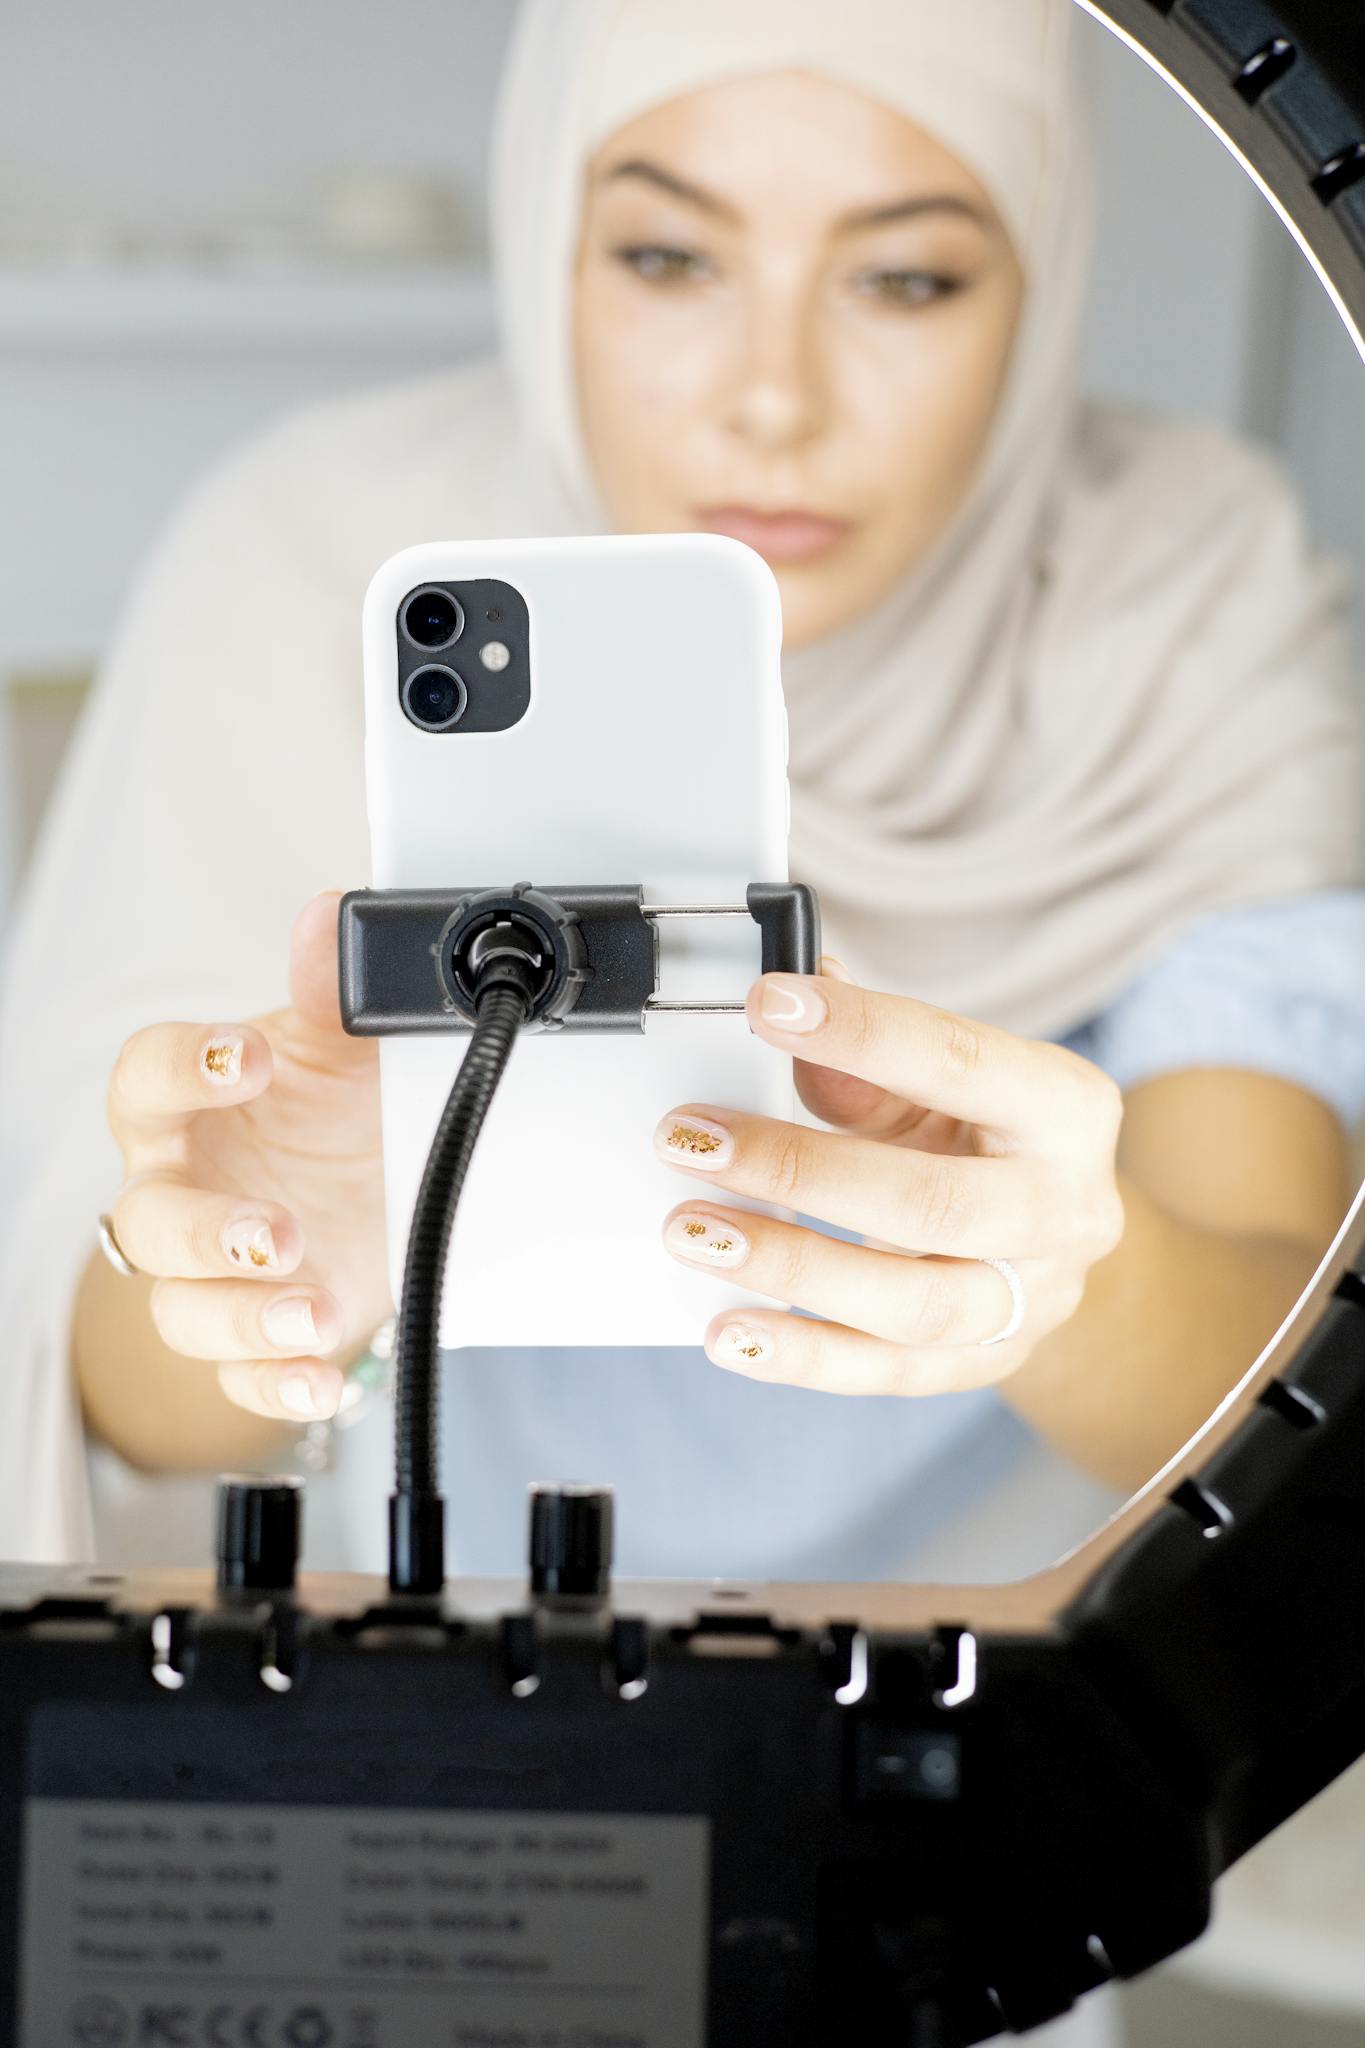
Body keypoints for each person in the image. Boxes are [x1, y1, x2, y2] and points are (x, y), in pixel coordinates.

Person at [1, 0, 1362, 1584]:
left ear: (1042, 276)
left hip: (1010, 1660)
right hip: (441, 1647)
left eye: (905, 277)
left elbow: (1281, 1397)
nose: (772, 400)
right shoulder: (313, 554)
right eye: (666, 258)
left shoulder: (1184, 586)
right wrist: (287, 1269)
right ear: (551, 243)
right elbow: (100, 1394)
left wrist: (1066, 1279)